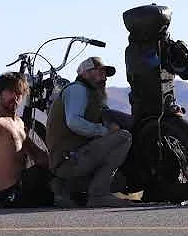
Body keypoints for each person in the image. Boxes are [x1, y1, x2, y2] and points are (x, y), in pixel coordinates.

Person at [46, 56, 133, 208]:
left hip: (77, 158)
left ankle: (67, 188)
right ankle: (98, 195)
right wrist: (104, 131)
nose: (104, 77)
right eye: (99, 72)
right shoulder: (77, 90)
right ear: (84, 73)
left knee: (121, 181)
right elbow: (74, 122)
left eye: (105, 74)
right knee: (123, 138)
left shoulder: (94, 96)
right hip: (69, 160)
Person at [0, 72, 52, 208]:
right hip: (4, 194)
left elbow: (39, 157)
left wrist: (62, 162)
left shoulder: (20, 123)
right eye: (11, 92)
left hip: (22, 188)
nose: (15, 97)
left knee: (55, 181)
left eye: (19, 93)